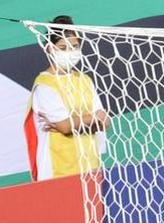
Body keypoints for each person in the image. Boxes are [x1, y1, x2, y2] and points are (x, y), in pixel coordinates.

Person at [25, 15, 109, 181]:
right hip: (57, 169)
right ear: (50, 48)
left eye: (75, 46)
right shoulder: (45, 85)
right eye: (63, 48)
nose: (70, 52)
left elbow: (105, 122)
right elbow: (64, 126)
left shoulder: (84, 80)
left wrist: (75, 123)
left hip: (89, 166)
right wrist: (91, 119)